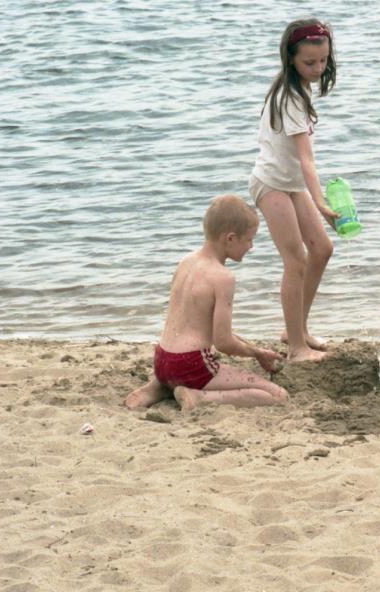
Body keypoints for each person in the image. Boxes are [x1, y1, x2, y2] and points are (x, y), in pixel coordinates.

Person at [123, 195, 288, 412]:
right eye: (249, 239)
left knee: (176, 372)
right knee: (277, 395)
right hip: (190, 365)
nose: (251, 246)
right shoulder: (223, 277)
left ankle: (159, 387)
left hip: (162, 360)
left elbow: (198, 325)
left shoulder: (186, 262)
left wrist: (256, 349)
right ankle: (198, 398)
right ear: (230, 238)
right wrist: (256, 354)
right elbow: (223, 342)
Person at [249, 18, 340, 362]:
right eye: (309, 62)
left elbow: (302, 164)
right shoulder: (290, 98)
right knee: (296, 260)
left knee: (322, 249)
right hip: (272, 183)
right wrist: (321, 203)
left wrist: (317, 201)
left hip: (291, 183)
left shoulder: (301, 89)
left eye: (323, 61)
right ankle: (297, 348)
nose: (318, 69)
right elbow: (306, 159)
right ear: (290, 59)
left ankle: (296, 329)